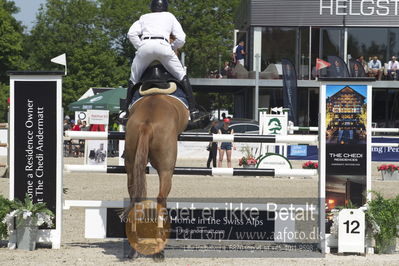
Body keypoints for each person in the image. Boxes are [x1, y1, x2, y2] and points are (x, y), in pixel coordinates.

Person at [125, 0, 199, 121]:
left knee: (133, 79)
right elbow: (181, 38)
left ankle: (125, 111)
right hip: (163, 46)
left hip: (145, 46)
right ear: (165, 7)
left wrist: (141, 46)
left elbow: (131, 34)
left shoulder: (143, 17)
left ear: (152, 7)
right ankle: (193, 110)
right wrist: (172, 47)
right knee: (182, 76)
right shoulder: (169, 16)